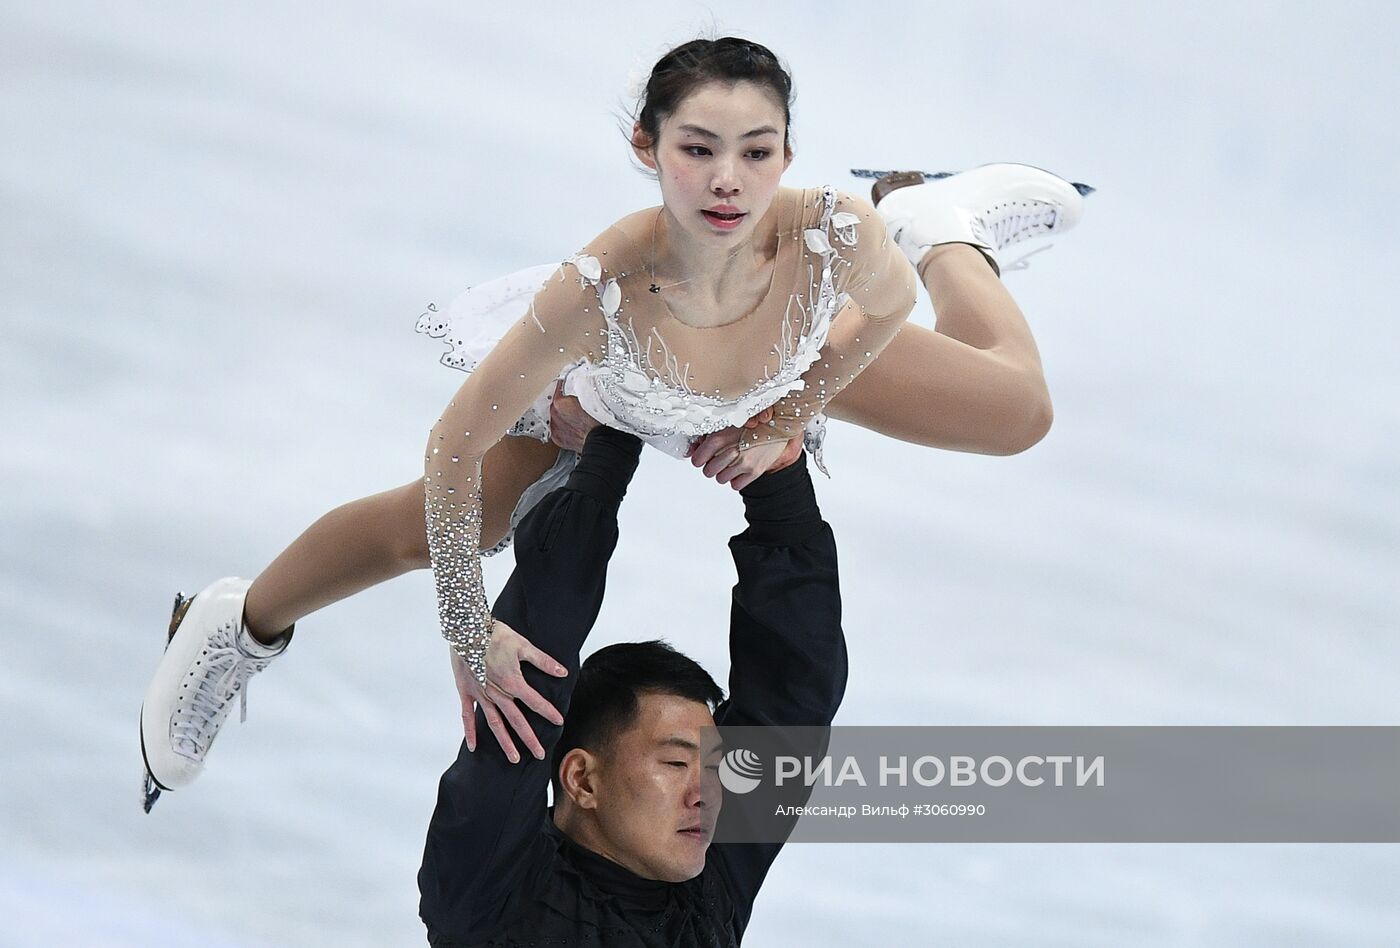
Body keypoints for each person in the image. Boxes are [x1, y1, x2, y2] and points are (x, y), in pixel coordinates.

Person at [139, 35, 1089, 809]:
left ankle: (937, 220)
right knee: (456, 527)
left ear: (787, 155)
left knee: (1018, 412)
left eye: (757, 151)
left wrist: (790, 410)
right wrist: (470, 635)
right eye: (698, 149)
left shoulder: (835, 232)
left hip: (772, 360)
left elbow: (881, 312)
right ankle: (234, 625)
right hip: (610, 386)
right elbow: (452, 445)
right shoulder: (598, 287)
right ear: (650, 148)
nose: (728, 181)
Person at [419, 418, 844, 945]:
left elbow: (793, 697)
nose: (706, 794)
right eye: (674, 762)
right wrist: (611, 442)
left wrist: (779, 484)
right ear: (583, 780)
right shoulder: (492, 894)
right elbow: (533, 675)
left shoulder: (706, 883)